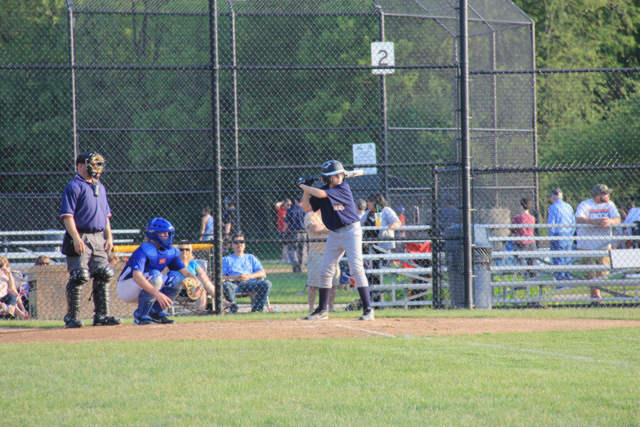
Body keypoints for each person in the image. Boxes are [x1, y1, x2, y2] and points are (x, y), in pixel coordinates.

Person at [298, 159, 374, 321]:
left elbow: (321, 194)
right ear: (328, 178)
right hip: (334, 233)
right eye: (336, 175)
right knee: (325, 270)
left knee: (356, 267)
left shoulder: (342, 188)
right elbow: (306, 208)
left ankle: (368, 309)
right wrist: (305, 190)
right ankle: (322, 310)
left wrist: (304, 186)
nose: (340, 177)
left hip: (351, 230)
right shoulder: (322, 189)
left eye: (341, 174)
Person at [60, 152, 121, 328]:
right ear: (80, 166)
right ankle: (72, 317)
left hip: (98, 237)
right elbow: (67, 215)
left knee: (104, 273)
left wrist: (109, 236)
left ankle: (102, 316)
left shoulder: (100, 186)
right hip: (80, 236)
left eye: (98, 165)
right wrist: (76, 238)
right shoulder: (74, 186)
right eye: (92, 165)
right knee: (80, 275)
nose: (96, 169)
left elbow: (106, 215)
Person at [117, 218, 205, 324]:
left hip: (149, 284)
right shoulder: (144, 250)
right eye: (162, 233)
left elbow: (185, 272)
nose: (167, 236)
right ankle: (140, 316)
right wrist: (157, 294)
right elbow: (137, 277)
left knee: (175, 277)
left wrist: (197, 283)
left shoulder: (171, 251)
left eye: (167, 233)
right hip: (127, 287)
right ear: (153, 235)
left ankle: (155, 313)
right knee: (156, 276)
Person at [575, 184, 621, 301]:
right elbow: (579, 218)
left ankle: (595, 295)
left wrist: (610, 221)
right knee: (589, 272)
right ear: (598, 195)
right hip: (587, 245)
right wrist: (595, 221)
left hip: (604, 245)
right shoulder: (585, 204)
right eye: (605, 193)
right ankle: (596, 295)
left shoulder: (610, 205)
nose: (608, 195)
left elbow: (618, 218)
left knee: (603, 271)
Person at [362, 193, 402, 302]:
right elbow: (359, 223)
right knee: (371, 272)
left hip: (383, 246)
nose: (367, 204)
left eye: (369, 202)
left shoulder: (385, 211)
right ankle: (374, 297)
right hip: (371, 247)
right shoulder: (368, 213)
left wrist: (389, 228)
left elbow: (397, 222)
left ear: (375, 202)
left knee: (378, 271)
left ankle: (377, 298)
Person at [222, 232, 272, 313]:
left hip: (250, 283)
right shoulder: (226, 259)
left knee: (267, 283)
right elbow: (221, 277)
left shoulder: (250, 257)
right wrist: (236, 277)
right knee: (226, 285)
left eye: (241, 242)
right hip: (234, 284)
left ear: (244, 244)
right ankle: (233, 309)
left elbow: (263, 273)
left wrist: (249, 276)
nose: (239, 244)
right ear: (232, 245)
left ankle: (257, 310)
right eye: (236, 242)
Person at [304, 210, 338, 312]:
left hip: (332, 253)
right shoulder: (310, 215)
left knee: (333, 282)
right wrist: (332, 228)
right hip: (316, 253)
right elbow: (316, 229)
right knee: (313, 284)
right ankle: (311, 308)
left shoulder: (330, 213)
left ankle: (330, 307)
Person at [169, 242, 216, 312]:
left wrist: (198, 283)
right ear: (177, 251)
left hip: (193, 289)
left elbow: (203, 276)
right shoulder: (172, 263)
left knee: (203, 283)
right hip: (177, 289)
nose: (184, 251)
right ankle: (222, 301)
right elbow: (163, 275)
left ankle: (200, 312)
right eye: (181, 249)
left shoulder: (193, 263)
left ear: (190, 251)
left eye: (187, 249)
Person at [547, 188, 575, 280]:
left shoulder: (553, 207)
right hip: (568, 235)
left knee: (558, 259)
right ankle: (569, 278)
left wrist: (551, 237)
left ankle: (560, 281)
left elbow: (552, 224)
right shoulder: (569, 206)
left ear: (553, 197)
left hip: (558, 235)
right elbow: (573, 223)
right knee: (568, 259)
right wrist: (571, 234)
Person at [510, 198, 537, 279]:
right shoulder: (532, 218)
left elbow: (512, 229)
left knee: (518, 256)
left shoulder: (517, 217)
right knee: (532, 261)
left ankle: (523, 272)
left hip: (520, 241)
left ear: (521, 206)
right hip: (531, 241)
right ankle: (532, 275)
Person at [285, 197, 307, 273]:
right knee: (302, 249)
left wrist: (284, 232)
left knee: (292, 249)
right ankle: (301, 267)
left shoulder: (290, 209)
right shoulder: (304, 209)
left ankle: (295, 265)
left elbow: (286, 223)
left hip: (293, 232)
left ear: (295, 201)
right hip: (303, 232)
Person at [275, 199, 292, 263]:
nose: (289, 206)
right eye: (288, 204)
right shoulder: (281, 209)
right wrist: (282, 202)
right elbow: (277, 204)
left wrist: (286, 203)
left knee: (287, 245)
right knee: (284, 245)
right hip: (282, 230)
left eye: (290, 205)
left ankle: (286, 258)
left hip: (289, 230)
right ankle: (285, 258)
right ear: (284, 204)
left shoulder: (290, 211)